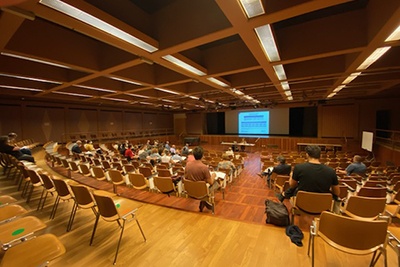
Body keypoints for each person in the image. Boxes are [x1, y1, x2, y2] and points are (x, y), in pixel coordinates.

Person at [185, 146, 219, 212]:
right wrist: (213, 175)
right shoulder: (204, 167)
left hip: (190, 190)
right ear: (202, 155)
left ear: (193, 155)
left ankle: (204, 202)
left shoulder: (188, 165)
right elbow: (211, 182)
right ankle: (205, 201)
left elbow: (186, 177)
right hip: (201, 191)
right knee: (216, 184)